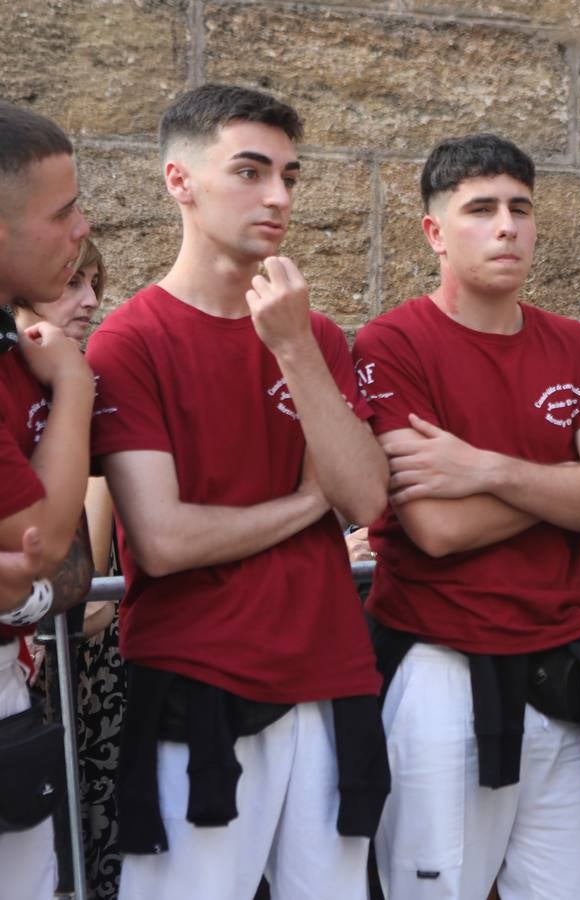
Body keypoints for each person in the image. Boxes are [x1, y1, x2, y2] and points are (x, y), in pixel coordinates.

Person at [85, 84, 391, 899]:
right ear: (179, 181)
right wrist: (304, 506)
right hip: (200, 679)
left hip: (331, 674)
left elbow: (366, 500)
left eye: (290, 175)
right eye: (251, 172)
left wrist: (292, 347)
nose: (279, 197)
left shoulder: (312, 332)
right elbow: (165, 540)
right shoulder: (129, 340)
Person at [352, 133, 580, 899]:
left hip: (571, 664)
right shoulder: (394, 341)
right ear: (434, 232)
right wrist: (575, 485)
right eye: (480, 209)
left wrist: (486, 469)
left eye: (520, 208)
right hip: (443, 665)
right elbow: (435, 530)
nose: (507, 225)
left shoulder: (577, 346)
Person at [0, 99, 96, 899]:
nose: (82, 230)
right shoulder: (49, 364)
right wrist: (74, 385)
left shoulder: (13, 348)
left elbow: (62, 571)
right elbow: (41, 529)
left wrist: (27, 599)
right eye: (62, 213)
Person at [14, 235, 125, 896]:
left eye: (93, 285)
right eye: (71, 284)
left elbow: (85, 592)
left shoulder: (77, 384)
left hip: (78, 670)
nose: (88, 302)